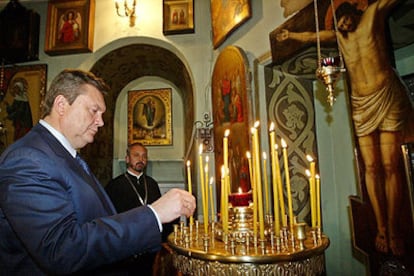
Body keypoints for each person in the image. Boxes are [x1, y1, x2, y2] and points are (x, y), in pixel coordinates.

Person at [0, 69, 196, 275]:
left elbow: (97, 221)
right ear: (61, 105)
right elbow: (61, 250)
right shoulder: (28, 159)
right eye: (94, 111)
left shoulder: (63, 155)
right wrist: (154, 214)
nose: (101, 122)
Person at [275, 0, 412, 256]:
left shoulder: (372, 16)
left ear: (354, 12)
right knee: (371, 167)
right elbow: (312, 36)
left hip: (385, 94)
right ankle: (381, 228)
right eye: (339, 22)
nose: (344, 24)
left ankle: (395, 229)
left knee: (392, 165)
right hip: (360, 103)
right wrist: (290, 34)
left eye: (346, 19)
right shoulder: (339, 36)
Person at [105, 142, 175, 275]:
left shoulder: (152, 184)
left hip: (151, 247)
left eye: (144, 156)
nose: (141, 159)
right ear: (127, 159)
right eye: (136, 155)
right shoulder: (115, 186)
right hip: (127, 250)